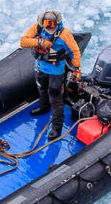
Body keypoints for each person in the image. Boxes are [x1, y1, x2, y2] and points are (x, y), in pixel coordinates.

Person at [19, 10, 81, 140]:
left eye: (53, 24)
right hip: (41, 65)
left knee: (55, 97)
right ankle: (43, 107)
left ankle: (56, 127)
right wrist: (40, 42)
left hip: (55, 70)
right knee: (41, 87)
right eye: (47, 24)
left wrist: (76, 69)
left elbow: (74, 51)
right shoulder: (38, 28)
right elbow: (23, 41)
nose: (50, 27)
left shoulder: (64, 34)